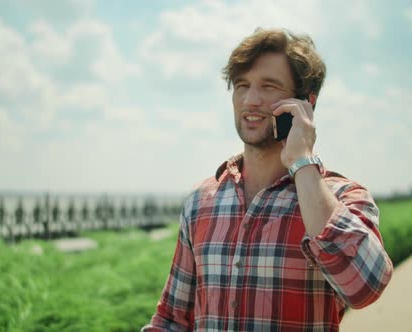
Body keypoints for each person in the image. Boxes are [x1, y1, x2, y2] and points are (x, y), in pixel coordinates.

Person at [142, 28, 393, 332]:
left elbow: (366, 287)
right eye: (241, 85)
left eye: (268, 86)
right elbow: (171, 320)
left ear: (306, 104)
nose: (250, 100)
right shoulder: (201, 201)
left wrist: (302, 163)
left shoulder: (341, 198)